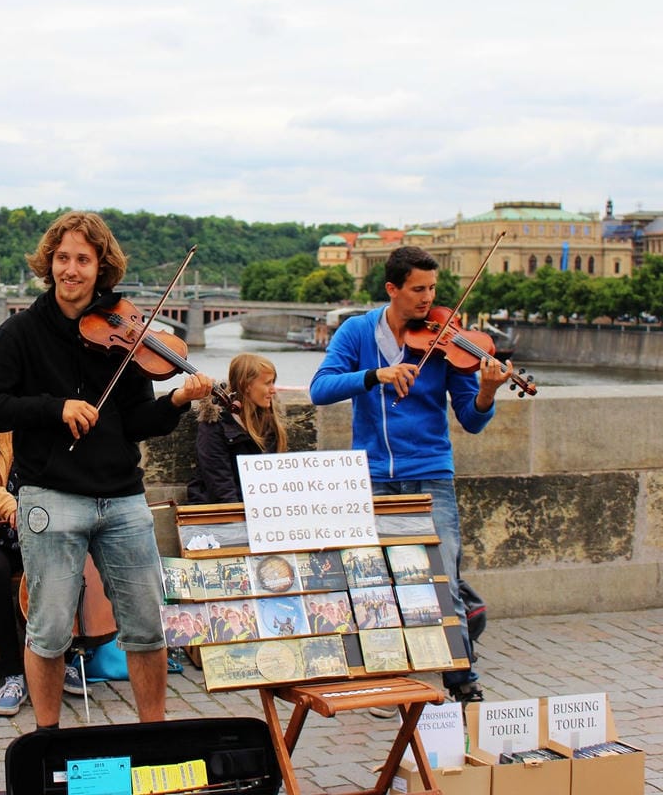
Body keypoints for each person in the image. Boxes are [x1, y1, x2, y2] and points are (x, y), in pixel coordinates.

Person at [0, 210, 213, 728]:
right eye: (62, 258)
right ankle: (48, 738)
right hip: (50, 497)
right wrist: (53, 408)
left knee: (147, 627)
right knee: (49, 630)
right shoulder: (20, 333)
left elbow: (136, 422)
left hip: (122, 496)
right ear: (49, 264)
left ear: (101, 267)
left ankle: (155, 735)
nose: (71, 270)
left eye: (83, 259)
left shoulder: (124, 331)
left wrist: (177, 400)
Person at [310, 246, 512, 709]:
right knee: (376, 580)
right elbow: (321, 389)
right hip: (375, 474)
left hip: (430, 472)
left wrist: (485, 392)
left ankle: (461, 675)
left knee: (444, 576)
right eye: (418, 289)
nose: (428, 299)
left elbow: (471, 418)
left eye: (433, 289)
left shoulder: (446, 341)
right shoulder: (358, 332)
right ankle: (387, 673)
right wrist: (375, 374)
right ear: (392, 289)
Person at [0, 429, 90, 717]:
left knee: (63, 564)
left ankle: (60, 657)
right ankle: (14, 674)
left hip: (45, 533)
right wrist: (8, 504)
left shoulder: (56, 429)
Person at [186, 353, 289, 504]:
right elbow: (220, 482)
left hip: (254, 508)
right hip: (219, 512)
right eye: (268, 383)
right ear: (245, 385)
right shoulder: (216, 423)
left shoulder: (268, 421)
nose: (273, 390)